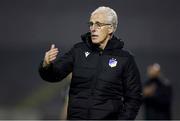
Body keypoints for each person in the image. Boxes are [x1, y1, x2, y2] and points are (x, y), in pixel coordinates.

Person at [39, 6, 142, 120]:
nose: (93, 28)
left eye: (98, 25)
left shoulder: (125, 58)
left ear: (111, 28)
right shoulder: (78, 51)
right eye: (91, 24)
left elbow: (134, 97)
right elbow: (54, 75)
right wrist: (46, 65)